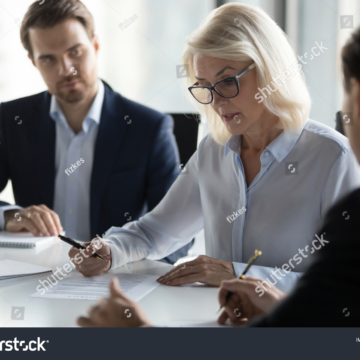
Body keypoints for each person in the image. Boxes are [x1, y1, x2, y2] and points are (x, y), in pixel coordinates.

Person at [76, 23, 360, 328]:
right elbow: (156, 231)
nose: (216, 100)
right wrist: (109, 250)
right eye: (205, 86)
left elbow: (346, 293)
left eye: (226, 81)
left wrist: (240, 275)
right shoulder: (214, 150)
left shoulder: (334, 158)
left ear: (269, 71)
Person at [0, 0, 192, 264]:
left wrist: (122, 257)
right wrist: (11, 216)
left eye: (75, 52)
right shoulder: (10, 120)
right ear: (33, 62)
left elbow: (179, 235)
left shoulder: (149, 128)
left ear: (96, 45)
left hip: (117, 281)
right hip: (34, 276)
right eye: (48, 58)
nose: (66, 69)